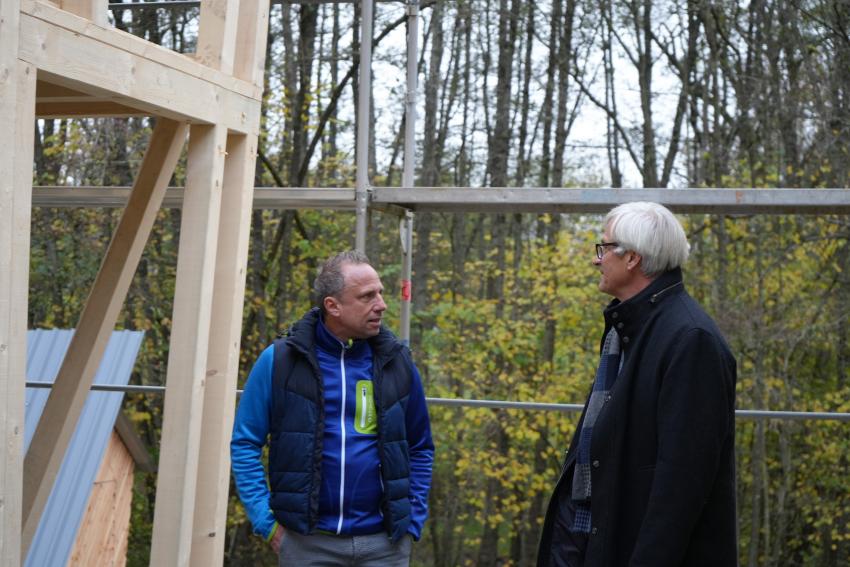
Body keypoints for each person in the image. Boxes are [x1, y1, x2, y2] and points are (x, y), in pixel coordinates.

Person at [537, 202, 738, 567]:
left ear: (631, 258)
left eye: (604, 248)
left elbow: (683, 484)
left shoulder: (690, 339)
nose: (596, 259)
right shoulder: (628, 326)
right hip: (592, 537)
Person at [231, 250, 434, 566]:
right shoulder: (279, 361)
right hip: (307, 544)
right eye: (367, 296)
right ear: (333, 306)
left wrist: (413, 519)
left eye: (380, 293)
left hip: (386, 546)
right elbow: (245, 444)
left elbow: (421, 446)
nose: (381, 305)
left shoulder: (398, 364)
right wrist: (267, 524)